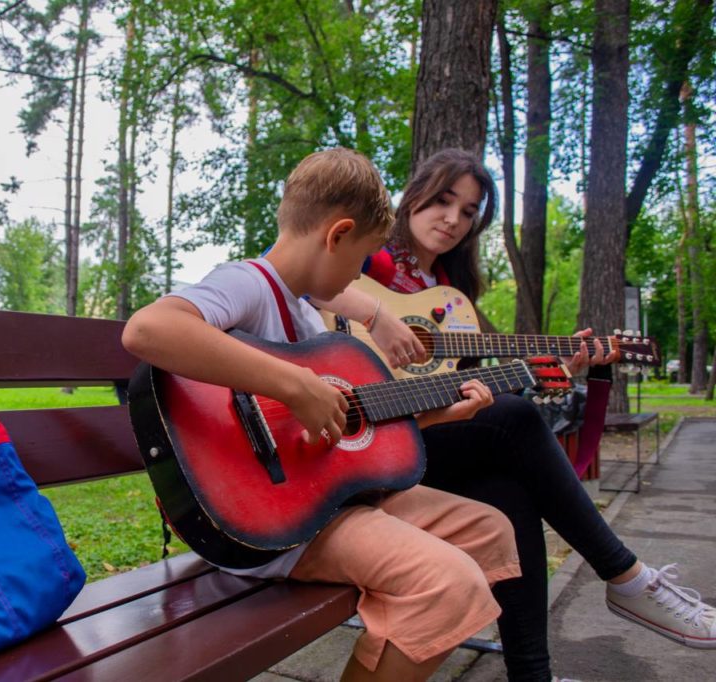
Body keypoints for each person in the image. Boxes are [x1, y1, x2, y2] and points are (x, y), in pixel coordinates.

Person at [122, 147, 522, 682]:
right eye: (361, 260)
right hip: (274, 516)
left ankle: (396, 635)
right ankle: (413, 613)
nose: (359, 279)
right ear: (337, 234)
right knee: (449, 583)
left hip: (326, 496)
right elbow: (147, 330)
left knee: (489, 530)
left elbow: (346, 432)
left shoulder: (310, 317)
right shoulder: (249, 283)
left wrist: (437, 416)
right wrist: (293, 384)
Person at [320, 148, 716, 681]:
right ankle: (625, 575)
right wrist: (377, 317)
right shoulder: (375, 260)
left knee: (511, 489)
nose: (454, 219)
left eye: (468, 211)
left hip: (420, 436)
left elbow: (476, 385)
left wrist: (562, 368)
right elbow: (308, 277)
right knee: (516, 421)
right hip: (360, 436)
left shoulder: (453, 299)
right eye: (443, 201)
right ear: (413, 197)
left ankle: (533, 674)